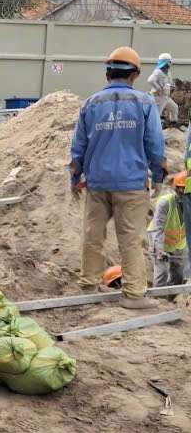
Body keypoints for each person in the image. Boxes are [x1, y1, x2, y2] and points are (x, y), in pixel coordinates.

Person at [70, 45, 166, 309]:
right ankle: (134, 294)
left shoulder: (91, 104)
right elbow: (155, 145)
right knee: (131, 240)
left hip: (97, 183)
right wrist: (158, 177)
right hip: (131, 183)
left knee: (92, 235)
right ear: (134, 75)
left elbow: (77, 148)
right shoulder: (144, 103)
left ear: (108, 73)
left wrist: (74, 178)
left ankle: (88, 287)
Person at [148, 172, 188, 287]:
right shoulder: (165, 202)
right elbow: (158, 229)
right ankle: (158, 301)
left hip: (179, 244)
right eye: (182, 189)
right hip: (159, 239)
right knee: (162, 272)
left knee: (178, 276)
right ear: (177, 189)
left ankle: (169, 301)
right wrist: (159, 250)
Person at [148, 52, 178, 125]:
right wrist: (158, 88)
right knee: (157, 114)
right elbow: (150, 80)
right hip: (159, 97)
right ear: (166, 62)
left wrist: (172, 86)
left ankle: (173, 123)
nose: (170, 64)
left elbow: (169, 82)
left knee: (174, 108)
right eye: (169, 62)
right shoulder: (157, 72)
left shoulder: (168, 72)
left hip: (166, 97)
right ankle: (155, 127)